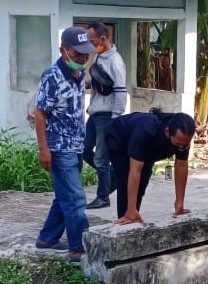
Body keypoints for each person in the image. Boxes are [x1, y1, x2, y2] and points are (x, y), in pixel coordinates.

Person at [28, 26, 97, 263]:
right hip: (59, 148)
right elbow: (40, 113)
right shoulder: (52, 76)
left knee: (64, 195)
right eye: (77, 54)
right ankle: (79, 248)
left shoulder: (78, 75)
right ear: (63, 50)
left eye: (85, 54)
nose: (82, 58)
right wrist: (43, 149)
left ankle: (47, 238)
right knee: (76, 198)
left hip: (76, 145)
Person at [105, 109, 196, 225]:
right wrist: (131, 208)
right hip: (118, 139)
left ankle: (133, 213)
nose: (182, 147)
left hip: (147, 148)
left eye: (186, 144)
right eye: (178, 144)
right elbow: (134, 171)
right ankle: (126, 218)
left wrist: (179, 203)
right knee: (125, 178)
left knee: (143, 181)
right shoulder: (146, 130)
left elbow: (182, 166)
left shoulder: (182, 136)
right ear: (167, 132)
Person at [84, 21, 127, 210]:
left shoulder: (115, 61)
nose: (90, 45)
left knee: (101, 157)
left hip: (107, 115)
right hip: (95, 112)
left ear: (103, 39)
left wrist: (116, 118)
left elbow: (120, 91)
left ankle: (103, 196)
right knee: (84, 149)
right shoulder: (100, 57)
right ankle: (112, 176)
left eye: (92, 41)